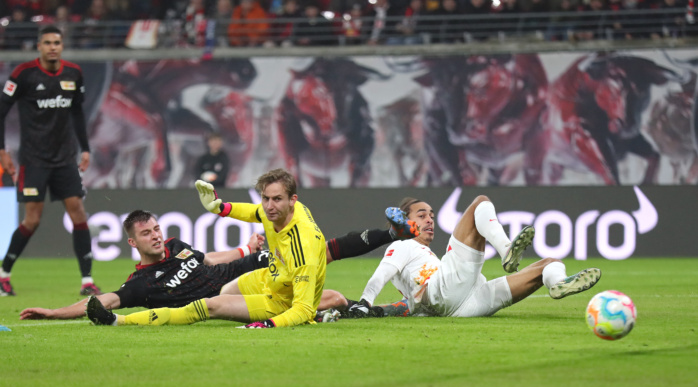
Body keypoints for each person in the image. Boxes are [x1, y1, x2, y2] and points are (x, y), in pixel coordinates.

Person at [23, 185, 418, 321]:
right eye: (147, 233)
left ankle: (387, 234)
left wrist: (246, 247)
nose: (157, 236)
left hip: (252, 268)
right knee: (324, 297)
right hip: (231, 295)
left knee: (323, 250)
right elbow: (102, 300)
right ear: (133, 243)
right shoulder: (139, 284)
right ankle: (374, 309)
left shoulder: (178, 248)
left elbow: (210, 260)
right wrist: (54, 312)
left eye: (158, 228)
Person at [344, 196, 601, 319]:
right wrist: (365, 301)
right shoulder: (402, 245)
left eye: (432, 215)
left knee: (549, 263)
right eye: (421, 215)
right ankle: (506, 250)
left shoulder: (421, 256)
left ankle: (556, 283)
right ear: (405, 221)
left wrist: (379, 311)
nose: (430, 219)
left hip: (468, 303)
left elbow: (411, 302)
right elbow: (382, 273)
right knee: (480, 203)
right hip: (447, 288)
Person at [0, 25, 100, 297]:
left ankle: (87, 281)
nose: (53, 47)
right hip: (34, 160)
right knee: (32, 220)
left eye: (57, 42)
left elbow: (78, 113)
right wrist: (3, 151)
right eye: (47, 43)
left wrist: (86, 148)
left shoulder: (73, 74)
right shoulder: (24, 74)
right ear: (39, 47)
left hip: (65, 159)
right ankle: (4, 274)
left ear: (62, 45)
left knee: (78, 212)